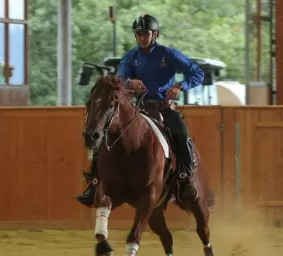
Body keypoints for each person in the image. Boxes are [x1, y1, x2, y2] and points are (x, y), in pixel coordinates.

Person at [75, 13, 205, 207]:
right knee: (105, 133)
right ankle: (94, 182)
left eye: (146, 33)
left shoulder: (168, 54)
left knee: (180, 133)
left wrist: (180, 86)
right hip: (139, 109)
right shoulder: (130, 57)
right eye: (139, 33)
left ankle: (185, 178)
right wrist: (129, 82)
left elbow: (197, 73)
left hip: (164, 108)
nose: (142, 37)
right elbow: (117, 82)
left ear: (155, 34)